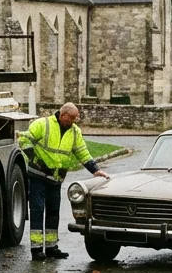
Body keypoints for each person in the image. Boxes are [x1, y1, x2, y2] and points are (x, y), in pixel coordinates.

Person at [19, 102, 110, 260]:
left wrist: (95, 170)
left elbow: (82, 152)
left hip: (55, 178)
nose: (75, 121)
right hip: (38, 176)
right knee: (37, 210)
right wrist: (35, 158)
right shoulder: (43, 124)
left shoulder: (75, 132)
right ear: (63, 116)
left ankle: (51, 247)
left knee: (53, 212)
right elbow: (24, 140)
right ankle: (36, 249)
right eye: (73, 118)